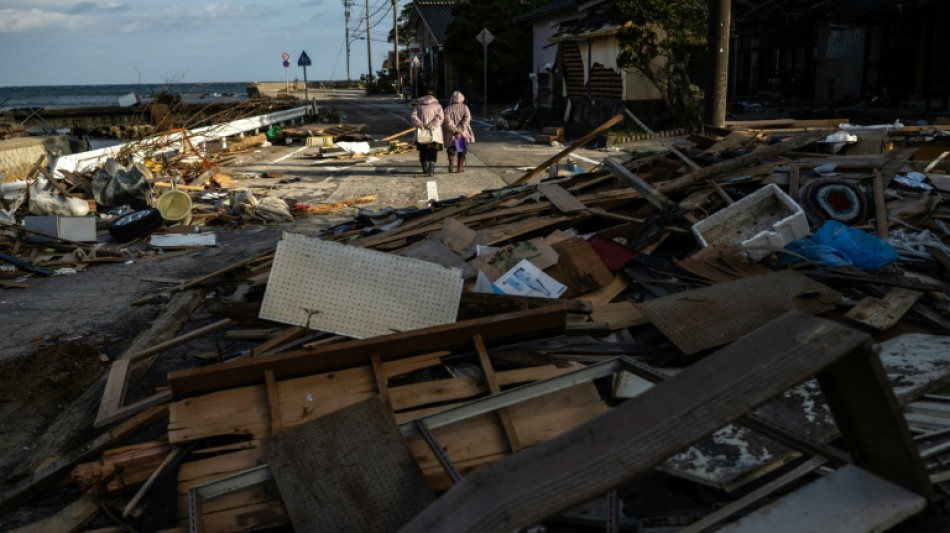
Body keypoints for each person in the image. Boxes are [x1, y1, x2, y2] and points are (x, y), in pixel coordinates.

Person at [409, 89, 444, 176]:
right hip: (434, 132)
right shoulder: (438, 106)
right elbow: (440, 117)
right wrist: (432, 125)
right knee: (432, 150)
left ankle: (424, 168)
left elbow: (413, 116)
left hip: (422, 132)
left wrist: (420, 124)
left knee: (423, 150)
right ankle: (431, 169)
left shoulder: (419, 106)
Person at [443, 91, 475, 173]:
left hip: (451, 133)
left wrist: (454, 129)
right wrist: (460, 128)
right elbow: (467, 118)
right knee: (462, 149)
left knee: (451, 147)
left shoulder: (447, 109)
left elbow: (447, 121)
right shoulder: (465, 107)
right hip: (462, 132)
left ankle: (451, 161)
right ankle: (459, 168)